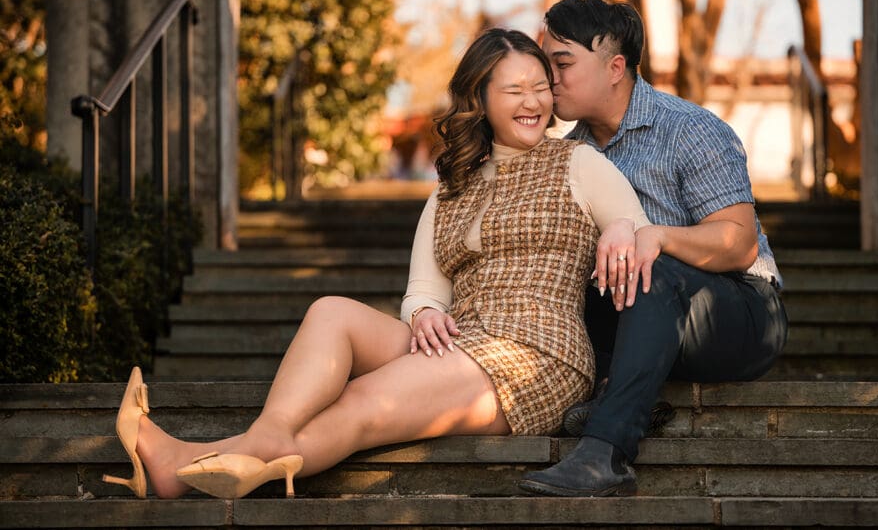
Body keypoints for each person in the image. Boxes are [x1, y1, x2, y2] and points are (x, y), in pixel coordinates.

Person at [102, 27, 652, 500]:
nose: (532, 101)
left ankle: (195, 460)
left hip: (537, 355)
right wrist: (423, 314)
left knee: (361, 402)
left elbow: (640, 229)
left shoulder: (578, 163)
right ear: (480, 98)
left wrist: (624, 226)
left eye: (540, 88)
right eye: (513, 89)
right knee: (331, 312)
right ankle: (250, 443)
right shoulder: (451, 187)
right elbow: (423, 288)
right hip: (460, 339)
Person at [519, 0, 789, 497]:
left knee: (648, 266)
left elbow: (739, 244)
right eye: (544, 64)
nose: (548, 79)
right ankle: (617, 390)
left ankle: (606, 453)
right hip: (638, 320)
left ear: (615, 66)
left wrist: (657, 236)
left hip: (741, 314)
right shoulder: (569, 152)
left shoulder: (689, 129)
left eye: (562, 63)